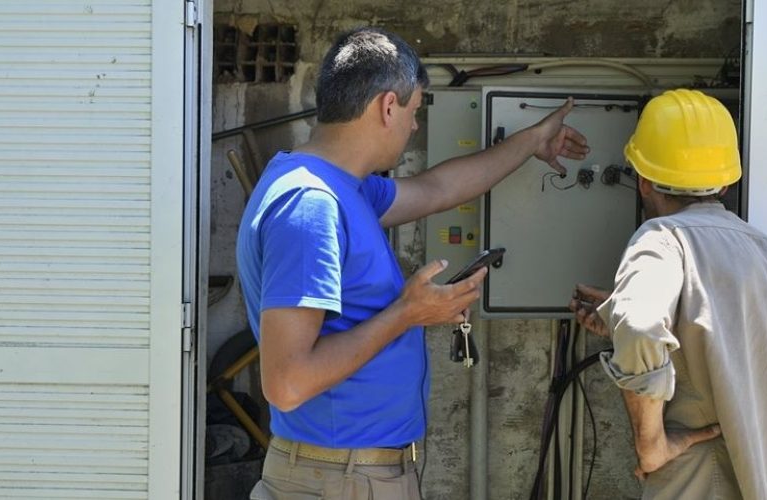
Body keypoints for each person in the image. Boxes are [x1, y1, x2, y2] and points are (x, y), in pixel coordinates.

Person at [236, 27, 588, 500]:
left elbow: (438, 190)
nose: (415, 127)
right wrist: (409, 313)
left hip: (353, 474)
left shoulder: (344, 188)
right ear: (387, 106)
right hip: (338, 480)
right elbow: (286, 383)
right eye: (415, 111)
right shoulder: (309, 205)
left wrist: (531, 142)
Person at [570, 89, 767, 499]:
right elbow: (729, 347)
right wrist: (618, 318)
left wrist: (652, 447)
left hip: (701, 480)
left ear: (643, 180)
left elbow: (641, 326)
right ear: (725, 178)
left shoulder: (662, 240)